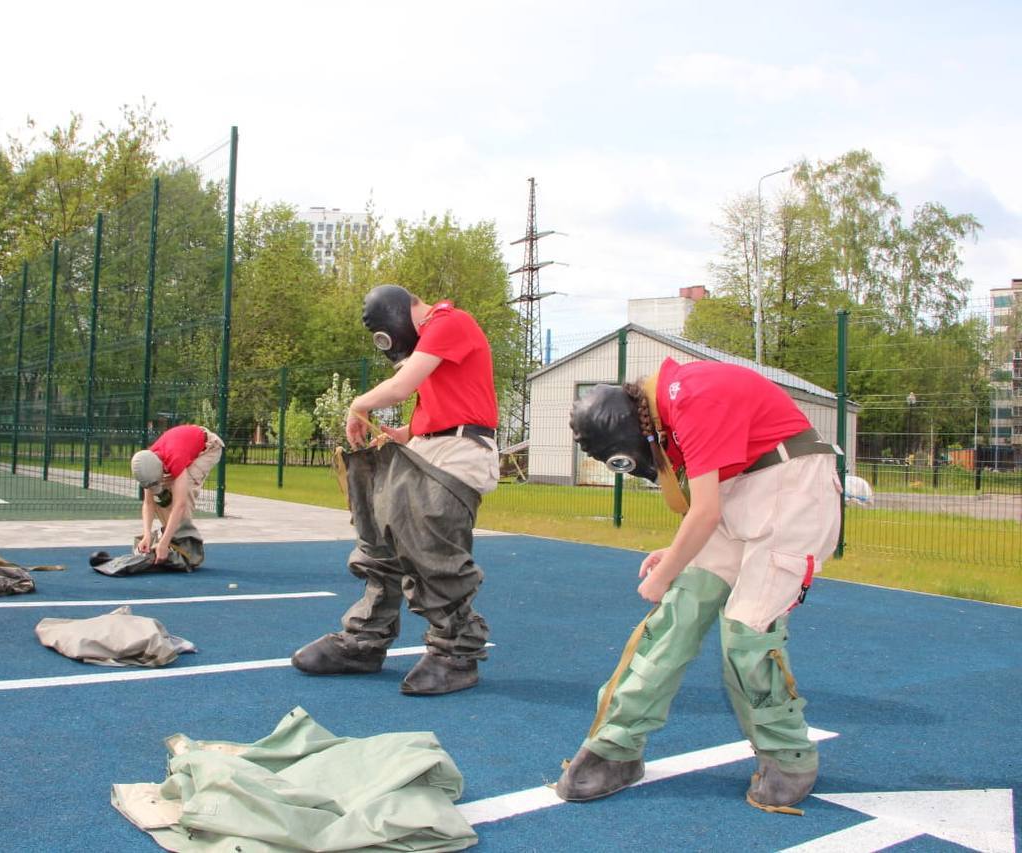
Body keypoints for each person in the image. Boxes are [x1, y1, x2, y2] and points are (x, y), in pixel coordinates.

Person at [557, 357, 842, 812]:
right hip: (745, 488)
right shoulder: (670, 405)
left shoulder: (689, 397)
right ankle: (616, 746)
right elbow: (710, 506)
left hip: (794, 489)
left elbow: (704, 510)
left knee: (747, 632)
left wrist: (664, 574)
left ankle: (789, 757)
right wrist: (674, 560)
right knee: (677, 614)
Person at [290, 284, 499, 695]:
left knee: (430, 547)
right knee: (380, 538)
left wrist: (359, 405)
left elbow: (403, 386)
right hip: (432, 442)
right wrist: (406, 432)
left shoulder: (449, 321)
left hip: (460, 449)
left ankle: (456, 652)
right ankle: (365, 640)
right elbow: (442, 401)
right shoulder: (437, 340)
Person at [130, 424, 224, 564]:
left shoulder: (175, 458)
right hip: (183, 446)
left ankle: (188, 547)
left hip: (209, 447)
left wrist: (164, 542)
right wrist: (147, 535)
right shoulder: (146, 463)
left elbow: (180, 505)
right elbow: (148, 502)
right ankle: (169, 538)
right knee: (163, 496)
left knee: (184, 492)